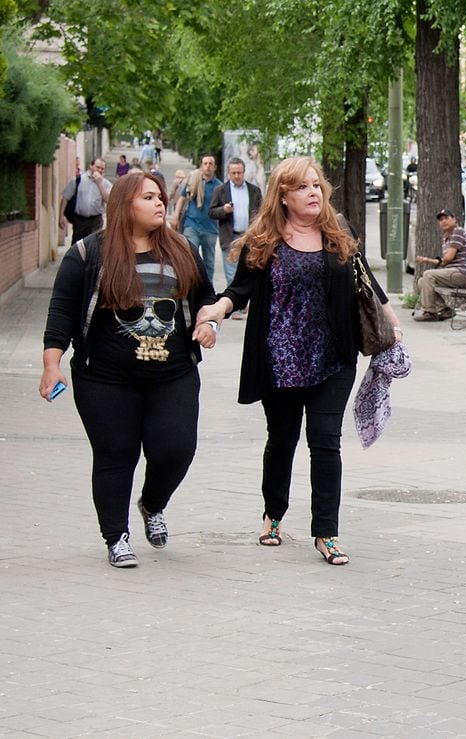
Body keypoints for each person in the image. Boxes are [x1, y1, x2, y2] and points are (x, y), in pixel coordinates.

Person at [195, 156, 402, 566]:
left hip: (333, 358)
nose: (314, 192)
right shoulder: (265, 240)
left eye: (316, 185)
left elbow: (366, 282)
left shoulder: (338, 231)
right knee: (282, 441)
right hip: (280, 359)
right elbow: (240, 289)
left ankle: (327, 532)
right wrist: (217, 311)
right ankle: (273, 515)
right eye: (303, 187)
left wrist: (391, 322)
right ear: (284, 196)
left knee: (326, 443)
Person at [40, 172, 218, 568]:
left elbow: (207, 297)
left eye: (160, 197)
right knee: (115, 455)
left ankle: (152, 504)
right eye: (149, 197)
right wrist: (51, 364)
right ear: (125, 205)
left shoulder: (182, 249)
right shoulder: (89, 254)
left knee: (175, 450)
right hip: (104, 378)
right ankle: (116, 536)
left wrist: (210, 323)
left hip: (172, 375)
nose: (160, 203)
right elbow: (62, 313)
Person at [209, 157, 263, 290]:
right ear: (229, 173)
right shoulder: (221, 190)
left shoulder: (254, 190)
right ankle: (235, 306)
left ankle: (246, 303)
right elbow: (211, 212)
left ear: (244, 172)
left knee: (251, 271)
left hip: (250, 237)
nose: (237, 176)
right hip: (230, 237)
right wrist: (224, 210)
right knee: (231, 274)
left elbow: (262, 212)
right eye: (234, 173)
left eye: (239, 172)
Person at [412, 209, 466, 322]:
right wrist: (428, 260)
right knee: (422, 281)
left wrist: (428, 260)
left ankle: (429, 312)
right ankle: (444, 309)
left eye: (446, 218)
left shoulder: (458, 232)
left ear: (454, 219)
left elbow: (448, 258)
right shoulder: (446, 237)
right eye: (441, 219)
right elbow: (445, 261)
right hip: (452, 272)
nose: (443, 221)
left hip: (461, 274)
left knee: (428, 275)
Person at [174, 155, 222, 283]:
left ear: (215, 167)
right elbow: (182, 198)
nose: (208, 166)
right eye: (205, 163)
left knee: (209, 262)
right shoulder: (193, 181)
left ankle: (208, 288)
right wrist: (175, 216)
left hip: (210, 229)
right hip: (192, 225)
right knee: (190, 257)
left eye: (210, 163)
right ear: (201, 166)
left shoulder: (219, 187)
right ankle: (190, 286)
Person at [59, 158, 113, 245]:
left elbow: (109, 200)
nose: (100, 170)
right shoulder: (78, 180)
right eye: (97, 167)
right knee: (77, 245)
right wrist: (61, 216)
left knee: (95, 245)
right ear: (91, 166)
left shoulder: (106, 184)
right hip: (80, 220)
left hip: (96, 220)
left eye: (102, 169)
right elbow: (65, 198)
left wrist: (100, 184)